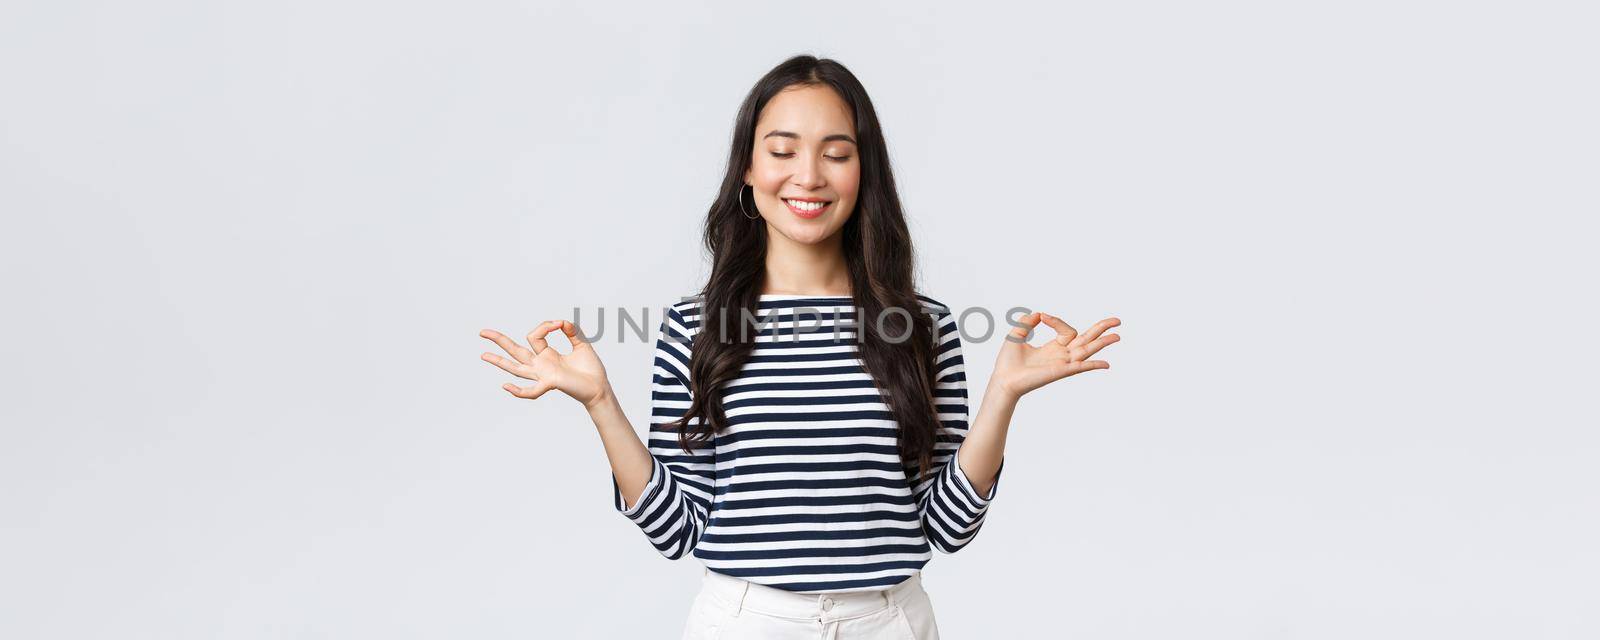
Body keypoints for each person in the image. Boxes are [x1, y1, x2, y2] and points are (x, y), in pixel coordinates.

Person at [478, 54, 1122, 640]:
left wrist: (1001, 398)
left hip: (891, 622)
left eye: (836, 153)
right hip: (745, 623)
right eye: (782, 150)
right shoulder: (695, 327)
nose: (808, 176)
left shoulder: (922, 326)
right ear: (749, 170)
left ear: (864, 172)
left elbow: (945, 526)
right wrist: (599, 402)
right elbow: (680, 529)